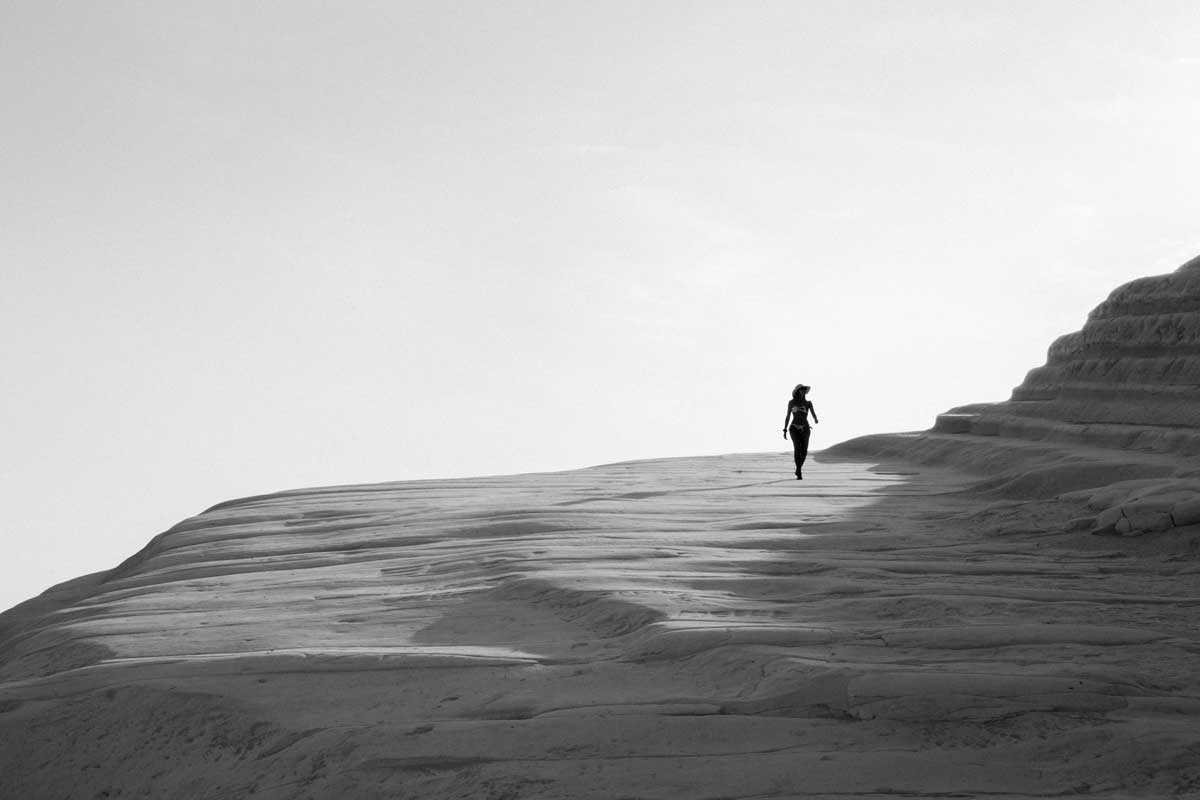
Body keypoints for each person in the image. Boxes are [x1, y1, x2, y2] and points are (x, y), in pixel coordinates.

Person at [782, 384, 819, 479]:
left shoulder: (808, 403)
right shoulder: (792, 402)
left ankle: (798, 469)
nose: (803, 391)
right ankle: (799, 471)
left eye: (804, 389)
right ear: (797, 391)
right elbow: (788, 416)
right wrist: (785, 429)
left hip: (805, 428)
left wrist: (815, 419)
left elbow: (813, 413)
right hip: (794, 427)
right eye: (802, 389)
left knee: (804, 451)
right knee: (797, 448)